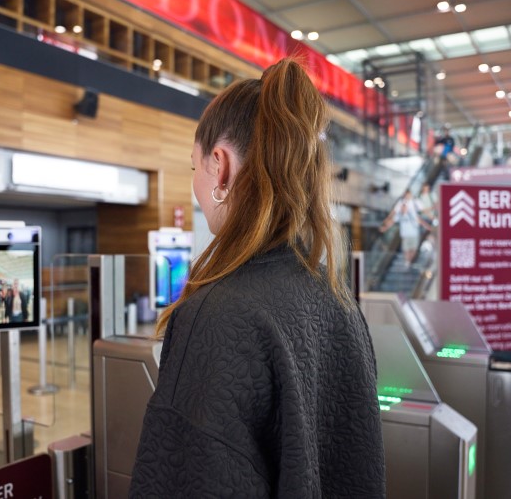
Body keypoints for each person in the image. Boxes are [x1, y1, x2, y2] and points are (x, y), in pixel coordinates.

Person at [130, 59, 385, 497]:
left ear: (220, 166)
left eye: (195, 169)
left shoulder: (214, 315)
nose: (196, 183)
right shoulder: (337, 300)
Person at [379, 190, 433, 268]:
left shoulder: (412, 212)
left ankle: (410, 262)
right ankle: (407, 262)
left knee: (413, 249)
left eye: (404, 207)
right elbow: (392, 222)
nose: (403, 209)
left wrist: (428, 227)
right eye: (402, 207)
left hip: (414, 234)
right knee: (406, 250)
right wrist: (385, 228)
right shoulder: (399, 215)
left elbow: (421, 221)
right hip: (405, 235)